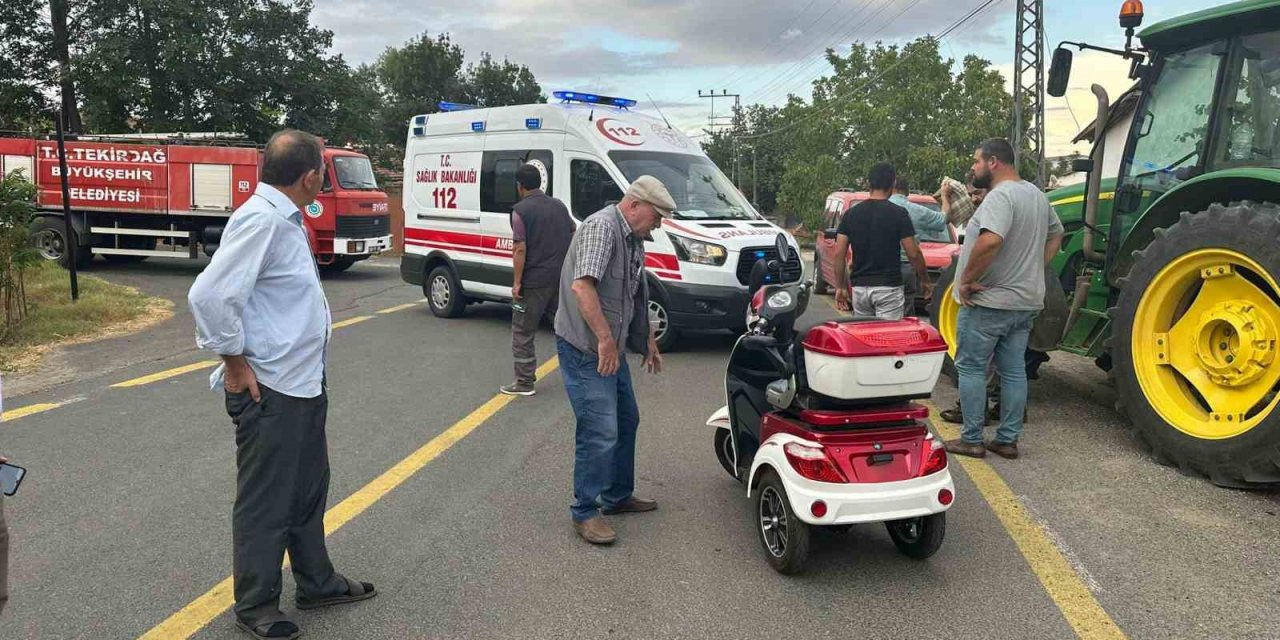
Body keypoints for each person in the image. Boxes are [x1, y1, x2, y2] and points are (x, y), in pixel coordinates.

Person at [188, 130, 375, 640]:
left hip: (300, 381)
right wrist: (235, 361)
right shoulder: (262, 220)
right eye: (322, 174)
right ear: (311, 176)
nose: (322, 182)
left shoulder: (284, 219)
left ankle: (317, 582)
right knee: (267, 501)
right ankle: (255, 605)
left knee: (309, 490)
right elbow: (208, 297)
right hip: (269, 388)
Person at [555, 175, 671, 545]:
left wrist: (647, 339)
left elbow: (632, 293)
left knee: (626, 420)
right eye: (657, 215)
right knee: (599, 429)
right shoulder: (601, 228)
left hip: (611, 348)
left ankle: (617, 496)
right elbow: (582, 286)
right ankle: (585, 511)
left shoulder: (634, 238)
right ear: (634, 204)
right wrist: (605, 339)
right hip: (586, 349)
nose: (660, 223)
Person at [944, 138, 1063, 460]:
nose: (973, 167)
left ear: (993, 161)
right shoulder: (1037, 196)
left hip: (989, 303)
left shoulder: (1000, 196)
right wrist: (1035, 268)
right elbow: (1056, 233)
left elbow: (990, 241)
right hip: (1025, 302)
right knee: (1013, 371)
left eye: (977, 161)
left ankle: (971, 439)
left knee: (970, 368)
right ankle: (1007, 439)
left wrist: (967, 280)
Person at [500, 164, 574, 396]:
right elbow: (573, 233)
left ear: (519, 186)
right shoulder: (559, 206)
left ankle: (524, 383)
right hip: (559, 279)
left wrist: (517, 283)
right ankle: (580, 373)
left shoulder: (520, 211)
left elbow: (519, 249)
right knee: (565, 327)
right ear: (540, 183)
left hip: (533, 282)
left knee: (522, 331)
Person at [834, 163, 932, 320]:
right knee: (888, 339)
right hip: (889, 289)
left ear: (868, 183)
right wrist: (925, 281)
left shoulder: (851, 214)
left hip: (860, 288)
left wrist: (840, 286)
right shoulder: (899, 214)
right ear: (893, 184)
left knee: (865, 338)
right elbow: (913, 253)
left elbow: (839, 254)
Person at [889, 174, 949, 299]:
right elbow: (943, 219)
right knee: (903, 314)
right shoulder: (917, 211)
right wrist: (945, 196)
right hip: (905, 269)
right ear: (906, 191)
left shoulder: (877, 208)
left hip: (877, 269)